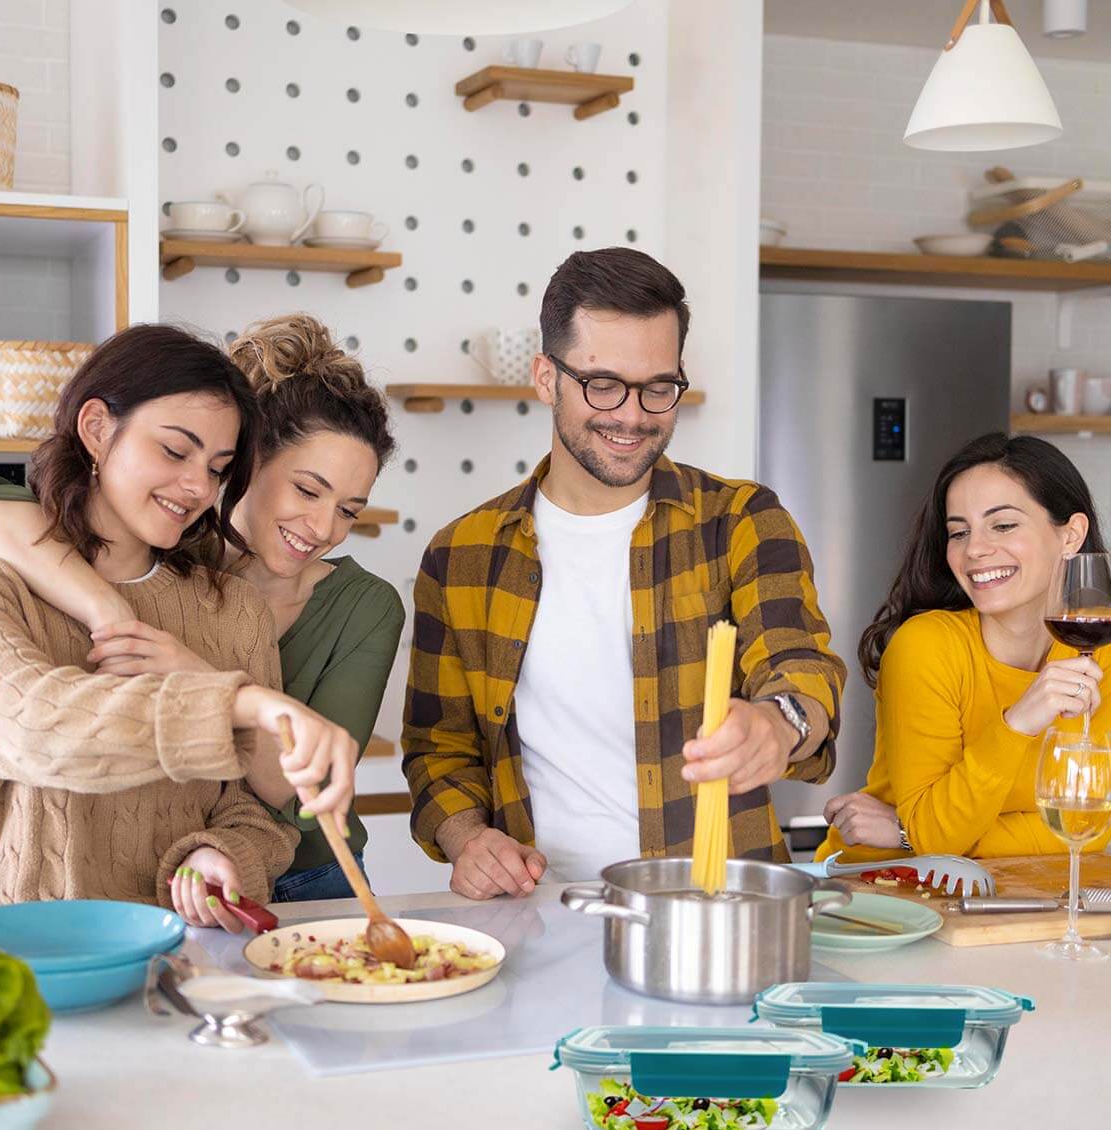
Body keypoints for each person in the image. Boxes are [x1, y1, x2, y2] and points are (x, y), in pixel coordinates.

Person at [403, 247, 846, 899]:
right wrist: (468, 839)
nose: (633, 416)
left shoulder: (742, 520)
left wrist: (780, 723)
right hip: (539, 913)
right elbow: (439, 751)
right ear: (546, 377)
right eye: (603, 384)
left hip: (716, 912)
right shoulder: (461, 555)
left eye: (658, 387)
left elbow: (801, 664)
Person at [0, 315, 403, 902]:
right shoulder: (161, 553)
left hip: (311, 871)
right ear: (245, 463)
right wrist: (109, 610)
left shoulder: (355, 607)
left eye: (349, 511)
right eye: (307, 490)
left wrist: (202, 678)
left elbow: (289, 792)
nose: (323, 528)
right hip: (166, 874)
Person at [820, 432, 1111, 861]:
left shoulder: (1098, 652)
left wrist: (904, 830)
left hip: (1031, 899)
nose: (975, 549)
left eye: (1004, 525)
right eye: (958, 533)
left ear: (1071, 535)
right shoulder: (926, 647)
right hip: (887, 896)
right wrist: (1018, 724)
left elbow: (1091, 827)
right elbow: (937, 839)